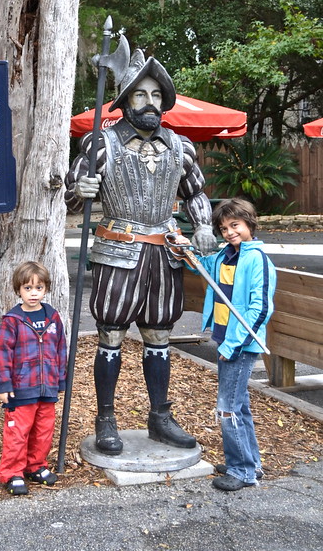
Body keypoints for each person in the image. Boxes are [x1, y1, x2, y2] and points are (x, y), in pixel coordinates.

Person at [64, 38, 217, 455]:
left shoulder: (180, 147)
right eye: (140, 94)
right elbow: (71, 198)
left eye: (155, 94)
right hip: (119, 250)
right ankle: (106, 419)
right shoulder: (101, 143)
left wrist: (203, 225)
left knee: (159, 335)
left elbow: (196, 194)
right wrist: (81, 187)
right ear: (126, 100)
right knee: (111, 334)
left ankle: (160, 417)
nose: (149, 102)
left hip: (164, 251)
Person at [174, 198, 276, 491]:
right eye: (224, 228)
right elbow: (202, 266)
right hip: (225, 340)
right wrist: (184, 249)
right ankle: (248, 462)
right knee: (239, 405)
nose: (230, 232)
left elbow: (260, 309)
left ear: (249, 224)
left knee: (228, 408)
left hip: (241, 346)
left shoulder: (257, 260)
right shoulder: (225, 256)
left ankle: (242, 471)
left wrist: (232, 345)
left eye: (235, 226)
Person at [0, 261, 67, 495]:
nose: (33, 293)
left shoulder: (52, 317)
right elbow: (2, 352)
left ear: (46, 289)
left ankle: (36, 465)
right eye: (27, 288)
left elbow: (61, 349)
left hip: (47, 388)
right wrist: (5, 384)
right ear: (18, 290)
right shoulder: (12, 320)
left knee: (44, 429)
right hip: (21, 388)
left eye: (39, 288)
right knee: (18, 431)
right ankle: (12, 472)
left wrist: (60, 380)